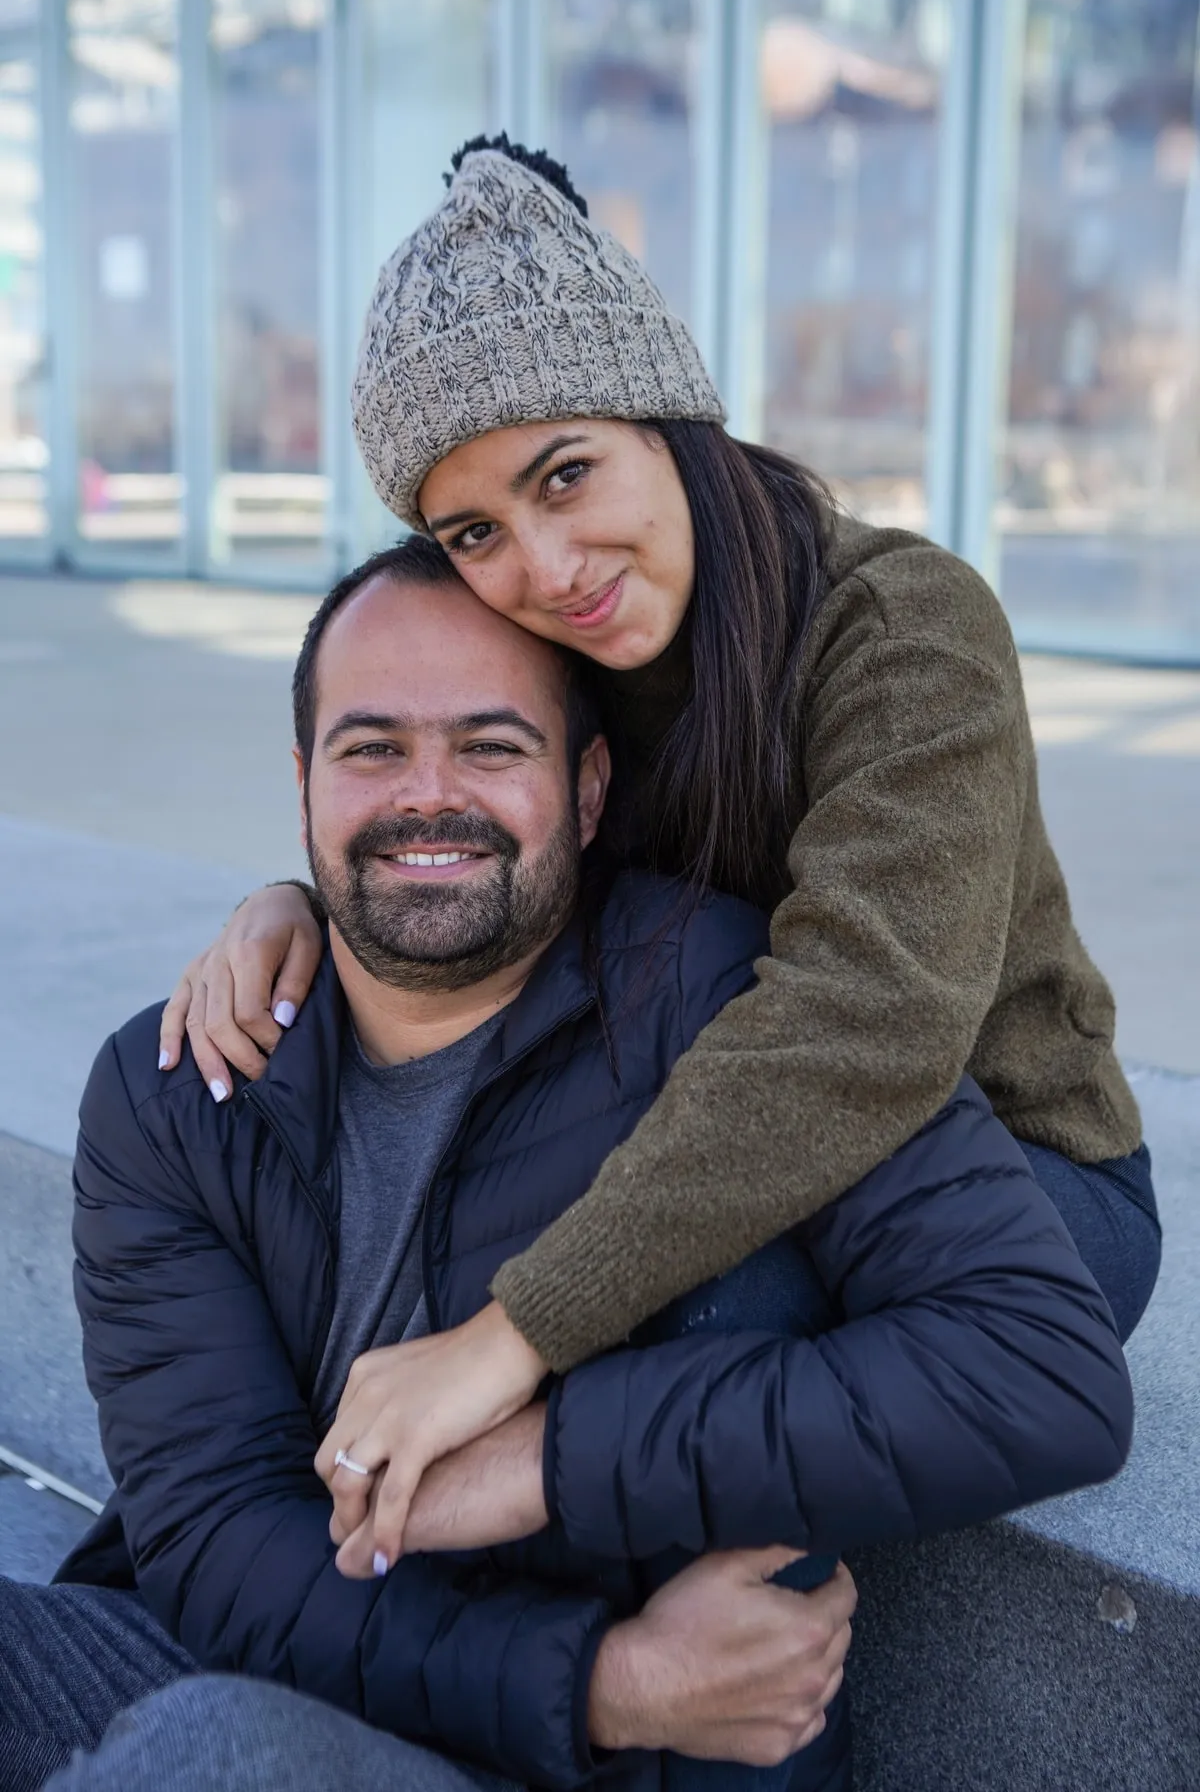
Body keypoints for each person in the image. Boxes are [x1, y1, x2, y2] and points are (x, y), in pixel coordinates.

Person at [157, 138, 1160, 1578]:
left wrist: (511, 1341)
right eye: (476, 531)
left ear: (669, 416)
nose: (549, 565)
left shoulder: (904, 629)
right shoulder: (575, 654)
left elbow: (865, 1022)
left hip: (1002, 1178)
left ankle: (670, 1659)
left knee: (706, 1310)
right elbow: (480, 820)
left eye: (568, 475)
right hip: (710, 1111)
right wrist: (306, 901)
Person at [1, 541, 1133, 1792]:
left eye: (491, 747)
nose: (428, 796)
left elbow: (1039, 1374)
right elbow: (218, 1535)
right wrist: (601, 1680)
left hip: (561, 1755)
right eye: (371, 748)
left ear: (590, 790)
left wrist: (548, 1459)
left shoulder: (726, 1011)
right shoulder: (180, 1083)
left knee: (210, 1754)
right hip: (324, 1655)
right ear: (304, 780)